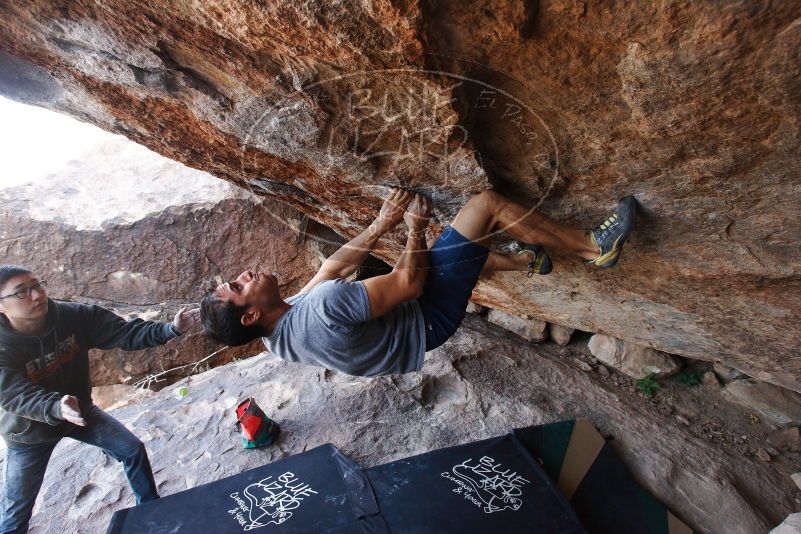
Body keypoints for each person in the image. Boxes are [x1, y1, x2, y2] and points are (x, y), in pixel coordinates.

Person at [200, 188, 636, 377]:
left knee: (453, 257)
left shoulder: (273, 334)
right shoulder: (321, 311)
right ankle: (594, 248)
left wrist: (379, 224)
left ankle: (526, 261)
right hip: (425, 318)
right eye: (238, 288)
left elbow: (330, 270)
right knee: (483, 208)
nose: (243, 276)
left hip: (403, 334)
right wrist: (412, 227)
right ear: (252, 313)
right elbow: (409, 283)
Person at [0, 265, 200, 534]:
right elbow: (12, 393)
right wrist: (55, 407)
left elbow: (124, 333)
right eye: (22, 292)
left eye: (38, 285)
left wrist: (170, 330)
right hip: (29, 433)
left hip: (81, 414)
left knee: (132, 450)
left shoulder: (72, 316)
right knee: (16, 512)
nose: (37, 295)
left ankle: (152, 512)